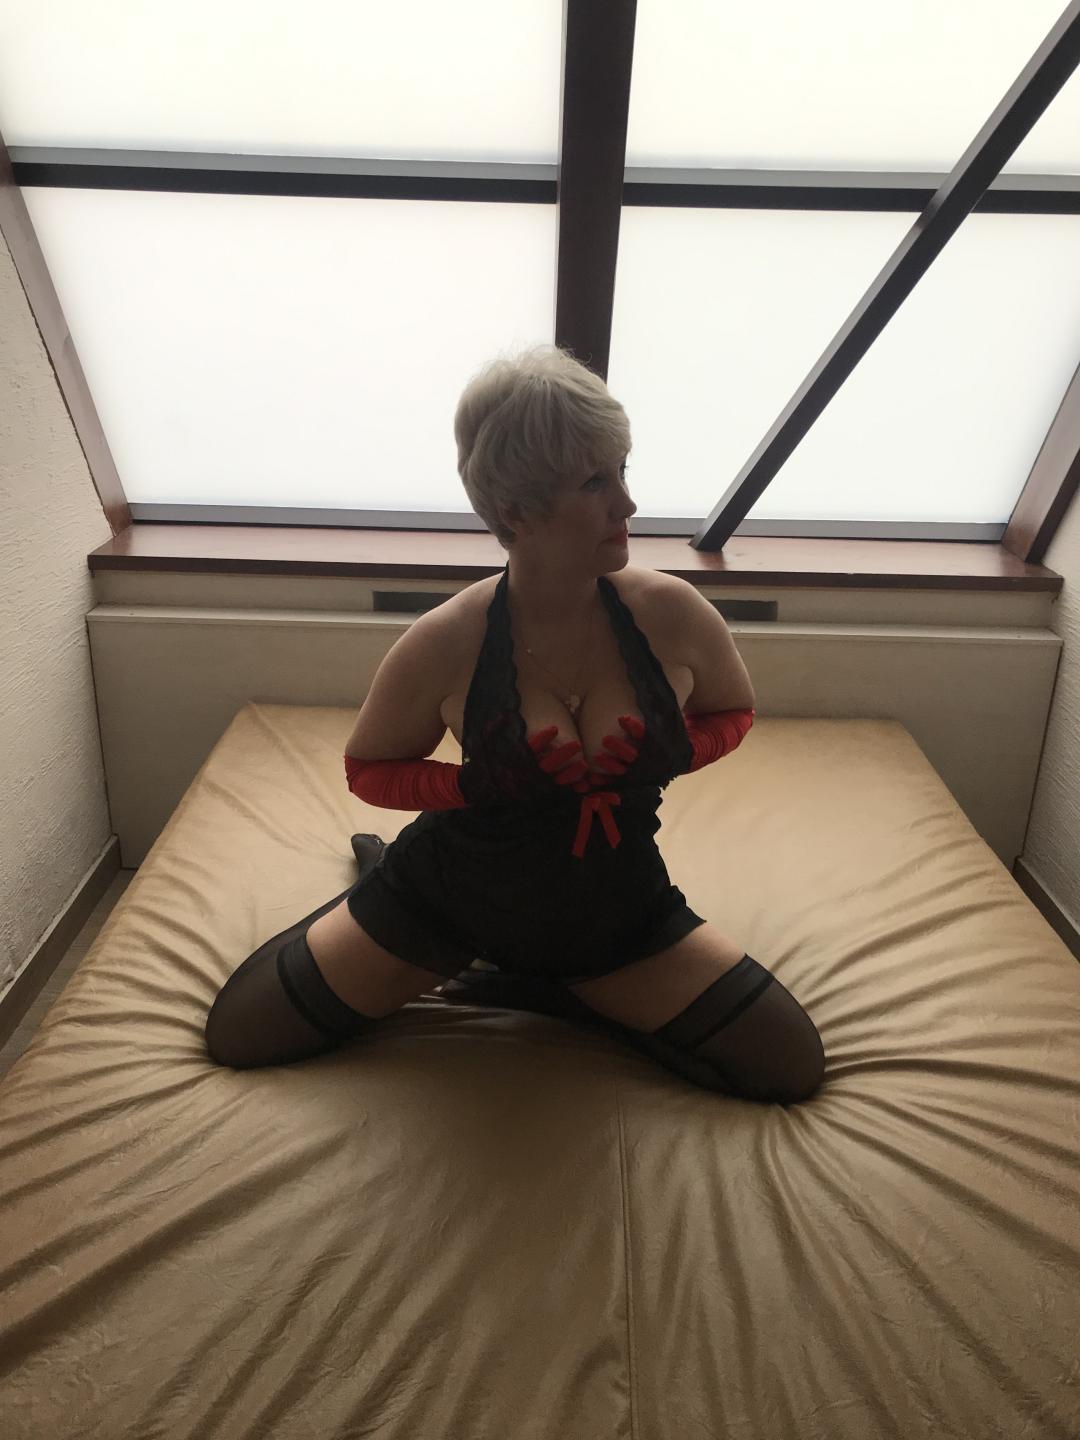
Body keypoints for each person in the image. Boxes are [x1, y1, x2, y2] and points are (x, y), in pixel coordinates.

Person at [205, 346, 825, 1102]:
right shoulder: (447, 640)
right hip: (448, 899)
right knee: (240, 1034)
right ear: (515, 512)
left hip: (615, 908)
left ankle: (556, 992)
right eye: (595, 483)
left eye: (623, 471)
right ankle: (376, 881)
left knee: (790, 1067)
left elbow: (734, 711)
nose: (627, 504)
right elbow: (368, 769)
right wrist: (474, 786)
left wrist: (676, 750)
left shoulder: (671, 613)